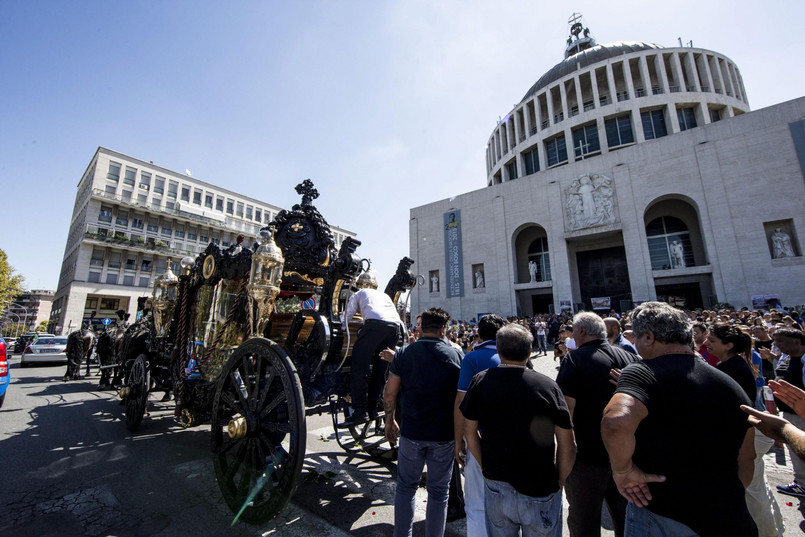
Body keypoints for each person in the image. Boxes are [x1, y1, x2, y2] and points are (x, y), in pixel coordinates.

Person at [601, 301, 757, 537]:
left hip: (665, 516)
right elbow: (747, 457)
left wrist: (623, 471)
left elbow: (615, 422)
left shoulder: (642, 371)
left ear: (649, 338)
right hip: (730, 516)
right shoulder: (728, 383)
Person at [461, 324, 576, 537]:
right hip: (539, 485)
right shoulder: (548, 386)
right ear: (530, 351)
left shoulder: (481, 381)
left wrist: (485, 465)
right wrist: (560, 479)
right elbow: (568, 444)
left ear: (498, 349)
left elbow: (469, 432)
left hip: (497, 483)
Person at [556, 312, 639, 537]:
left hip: (587, 460)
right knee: (629, 521)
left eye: (573, 330)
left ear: (582, 331)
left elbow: (566, 411)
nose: (571, 334)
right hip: (627, 455)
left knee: (584, 523)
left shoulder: (573, 360)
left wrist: (564, 454)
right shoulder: (630, 358)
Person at [384, 308, 462, 537]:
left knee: (406, 488)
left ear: (419, 328)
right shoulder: (456, 355)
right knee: (439, 493)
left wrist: (389, 422)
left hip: (412, 431)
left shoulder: (404, 353)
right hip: (443, 434)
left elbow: (390, 394)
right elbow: (462, 399)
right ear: (442, 329)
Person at [707, 323, 783, 537]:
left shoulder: (730, 368)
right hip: (748, 432)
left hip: (745, 435)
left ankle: (766, 532)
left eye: (712, 341)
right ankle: (774, 528)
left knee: (751, 492)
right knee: (758, 486)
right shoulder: (734, 364)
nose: (707, 344)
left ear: (728, 345)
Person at [453, 313, 505, 537]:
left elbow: (461, 403)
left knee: (476, 502)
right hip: (512, 439)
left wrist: (458, 441)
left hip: (479, 439)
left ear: (478, 333)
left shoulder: (472, 358)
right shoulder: (515, 355)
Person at [340, 271, 405, 428]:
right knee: (380, 370)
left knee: (358, 369)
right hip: (394, 328)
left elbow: (347, 315)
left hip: (375, 326)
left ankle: (359, 411)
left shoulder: (359, 294)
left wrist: (341, 328)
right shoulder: (384, 296)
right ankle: (374, 408)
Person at [770, 327, 805, 498]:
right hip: (789, 414)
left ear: (797, 341)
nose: (777, 345)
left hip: (802, 414)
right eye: (775, 341)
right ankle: (801, 484)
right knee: (795, 450)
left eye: (781, 341)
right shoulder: (785, 358)